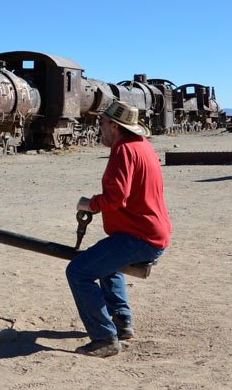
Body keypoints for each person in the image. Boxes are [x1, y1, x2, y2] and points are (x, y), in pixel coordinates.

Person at [66, 100, 171, 357]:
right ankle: (122, 322)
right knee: (105, 262)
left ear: (114, 126)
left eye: (102, 122)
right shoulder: (142, 146)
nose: (99, 127)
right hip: (150, 233)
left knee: (78, 272)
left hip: (140, 237)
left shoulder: (123, 149)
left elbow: (117, 198)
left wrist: (90, 204)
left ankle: (104, 339)